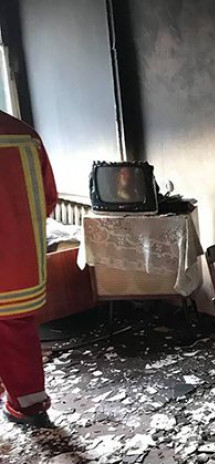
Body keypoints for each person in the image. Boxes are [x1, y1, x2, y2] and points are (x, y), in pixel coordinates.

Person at [0, 109, 57, 427]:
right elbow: (48, 200)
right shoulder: (24, 135)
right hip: (18, 264)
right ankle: (30, 407)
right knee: (19, 335)